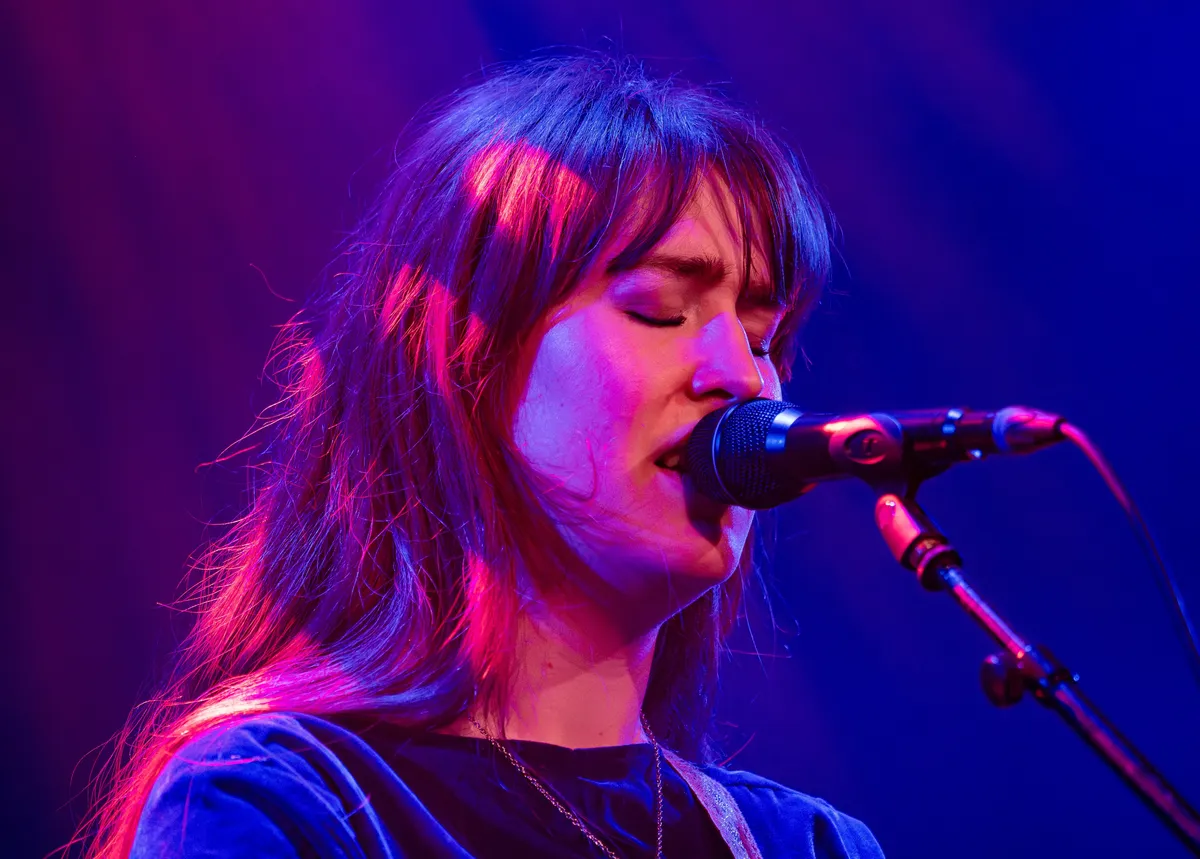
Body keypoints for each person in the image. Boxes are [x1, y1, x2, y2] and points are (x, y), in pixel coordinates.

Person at [79, 54, 885, 858]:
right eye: (659, 310)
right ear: (469, 367)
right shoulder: (282, 802)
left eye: (762, 337)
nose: (743, 377)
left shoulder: (809, 844)